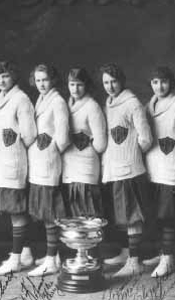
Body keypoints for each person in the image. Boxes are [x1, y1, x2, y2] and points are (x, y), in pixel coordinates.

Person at [100, 63, 153, 277]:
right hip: (116, 167)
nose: (110, 86)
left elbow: (146, 138)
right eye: (106, 82)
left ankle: (135, 261)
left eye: (113, 81)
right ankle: (126, 252)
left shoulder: (133, 104)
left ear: (121, 81)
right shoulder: (109, 103)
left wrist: (131, 154)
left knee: (132, 215)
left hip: (130, 169)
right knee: (123, 213)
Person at [0, 61, 37, 275]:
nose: (1, 80)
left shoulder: (21, 99)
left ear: (14, 77)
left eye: (5, 76)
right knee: (12, 210)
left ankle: (16, 258)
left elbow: (29, 135)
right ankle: (25, 252)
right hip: (1, 162)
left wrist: (15, 149)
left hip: (14, 161)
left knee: (16, 210)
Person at [145, 66, 175, 278]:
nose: (159, 86)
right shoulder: (149, 105)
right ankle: (163, 252)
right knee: (156, 214)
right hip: (152, 166)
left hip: (170, 166)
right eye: (155, 82)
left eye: (163, 82)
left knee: (167, 215)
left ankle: (168, 258)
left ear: (170, 83)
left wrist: (173, 159)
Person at [27, 64, 70, 277]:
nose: (41, 84)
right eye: (38, 80)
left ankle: (52, 260)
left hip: (49, 161)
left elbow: (62, 138)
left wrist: (51, 151)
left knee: (50, 212)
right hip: (38, 161)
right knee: (45, 212)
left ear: (53, 79)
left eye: (45, 80)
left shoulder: (58, 101)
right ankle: (53, 255)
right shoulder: (41, 100)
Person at [61, 67, 107, 259]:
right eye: (72, 84)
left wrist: (84, 144)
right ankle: (79, 255)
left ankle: (93, 257)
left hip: (87, 164)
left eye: (79, 85)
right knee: (74, 213)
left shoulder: (92, 106)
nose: (75, 89)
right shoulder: (66, 105)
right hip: (69, 165)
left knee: (88, 214)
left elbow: (101, 142)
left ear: (86, 86)